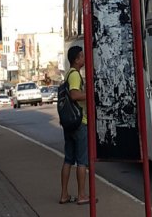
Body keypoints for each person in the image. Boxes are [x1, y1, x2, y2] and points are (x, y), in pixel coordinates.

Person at [59, 45, 90, 205]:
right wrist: (90, 94)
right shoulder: (75, 75)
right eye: (82, 57)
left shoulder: (68, 74)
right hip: (79, 122)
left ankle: (64, 194)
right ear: (77, 59)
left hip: (69, 123)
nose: (84, 59)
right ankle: (82, 195)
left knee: (68, 160)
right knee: (82, 161)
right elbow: (74, 95)